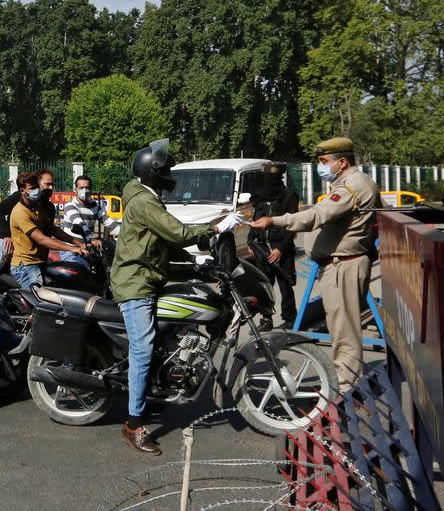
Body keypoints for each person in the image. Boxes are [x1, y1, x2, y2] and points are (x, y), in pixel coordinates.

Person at [111, 139, 244, 455]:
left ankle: (152, 391)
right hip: (135, 284)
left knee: (168, 332)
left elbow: (161, 240)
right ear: (153, 172)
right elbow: (177, 231)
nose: (171, 175)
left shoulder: (146, 196)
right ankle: (132, 426)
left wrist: (195, 259)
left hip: (148, 278)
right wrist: (213, 227)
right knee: (143, 351)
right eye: (167, 170)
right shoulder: (145, 202)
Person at [250, 137, 380, 391]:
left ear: (341, 162)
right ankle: (348, 382)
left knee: (345, 334)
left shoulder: (352, 186)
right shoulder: (348, 184)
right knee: (341, 329)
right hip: (341, 265)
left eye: (324, 162)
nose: (321, 166)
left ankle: (347, 391)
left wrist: (274, 221)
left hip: (344, 266)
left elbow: (318, 215)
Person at [9, 171, 87, 288]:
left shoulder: (37, 206)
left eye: (37, 186)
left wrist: (77, 242)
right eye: (32, 188)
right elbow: (41, 239)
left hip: (40, 261)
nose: (36, 190)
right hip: (25, 265)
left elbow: (52, 229)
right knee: (40, 301)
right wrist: (71, 249)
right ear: (22, 191)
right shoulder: (20, 212)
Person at [246, 163, 299, 330]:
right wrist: (251, 241)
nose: (267, 182)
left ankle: (290, 319)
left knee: (285, 285)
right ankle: (266, 318)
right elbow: (255, 220)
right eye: (265, 178)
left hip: (281, 247)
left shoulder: (289, 196)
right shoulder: (260, 196)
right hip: (261, 247)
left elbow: (293, 226)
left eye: (271, 179)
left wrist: (280, 249)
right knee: (264, 285)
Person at [0, 169, 57, 260]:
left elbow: (48, 233)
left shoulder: (49, 207)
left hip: (32, 255)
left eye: (52, 185)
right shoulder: (21, 197)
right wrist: (6, 235)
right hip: (9, 243)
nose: (51, 188)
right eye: (47, 184)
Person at [59, 174, 120, 265]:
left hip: (87, 249)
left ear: (91, 189)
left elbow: (109, 222)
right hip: (71, 250)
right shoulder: (70, 205)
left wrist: (124, 236)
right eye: (81, 187)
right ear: (76, 190)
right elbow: (79, 224)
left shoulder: (94, 205)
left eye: (87, 187)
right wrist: (91, 240)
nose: (84, 190)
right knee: (83, 269)